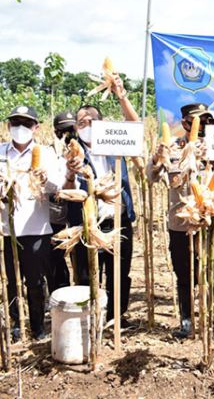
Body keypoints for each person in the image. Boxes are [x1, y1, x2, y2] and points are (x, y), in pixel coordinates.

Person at [149, 103, 214, 338]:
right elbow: (151, 177)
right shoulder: (171, 148)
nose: (201, 126)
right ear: (185, 124)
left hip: (211, 222)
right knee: (185, 274)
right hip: (181, 223)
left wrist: (210, 155)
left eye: (205, 121)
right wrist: (157, 158)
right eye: (197, 120)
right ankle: (187, 322)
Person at [65, 74, 140, 328]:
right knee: (87, 273)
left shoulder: (115, 143)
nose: (85, 125)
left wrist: (121, 95)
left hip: (116, 220)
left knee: (119, 272)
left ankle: (116, 318)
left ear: (102, 123)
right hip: (87, 223)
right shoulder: (72, 153)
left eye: (91, 121)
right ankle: (90, 319)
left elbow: (134, 125)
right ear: (75, 128)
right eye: (80, 122)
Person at [1, 105, 65, 340]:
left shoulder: (46, 153)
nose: (20, 128)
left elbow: (58, 187)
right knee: (11, 281)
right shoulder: (0, 152)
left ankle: (38, 326)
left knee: (36, 282)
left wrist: (44, 178)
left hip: (36, 229)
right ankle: (17, 323)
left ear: (36, 128)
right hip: (7, 230)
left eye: (26, 124)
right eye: (15, 123)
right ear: (8, 126)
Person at [46, 111, 77, 292]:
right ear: (56, 132)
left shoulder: (83, 151)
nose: (67, 135)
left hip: (79, 210)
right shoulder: (48, 153)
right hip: (56, 212)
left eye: (71, 130)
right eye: (63, 131)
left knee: (79, 257)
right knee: (56, 256)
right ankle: (59, 292)